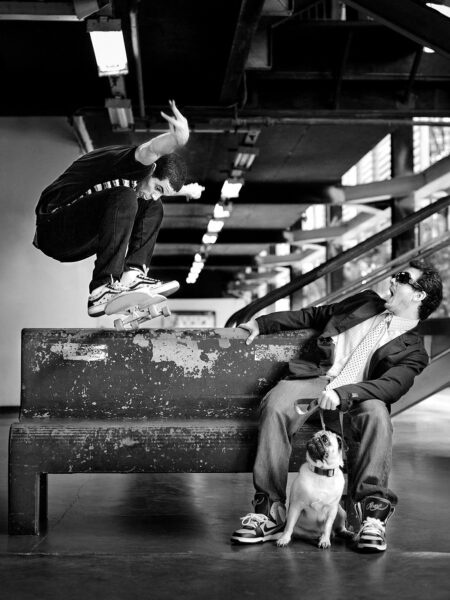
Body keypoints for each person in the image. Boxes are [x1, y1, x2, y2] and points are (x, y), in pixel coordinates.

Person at [231, 259, 443, 553]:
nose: (392, 280)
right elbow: (316, 315)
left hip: (359, 395)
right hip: (317, 377)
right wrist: (261, 323)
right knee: (277, 403)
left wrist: (345, 394)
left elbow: (391, 387)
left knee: (378, 415)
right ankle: (270, 512)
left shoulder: (415, 351)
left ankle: (369, 516)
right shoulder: (366, 302)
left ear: (419, 295)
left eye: (402, 277)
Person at [33, 100, 189, 316]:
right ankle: (102, 288)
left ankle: (132, 275)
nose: (154, 194)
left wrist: (185, 190)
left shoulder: (143, 184)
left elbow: (150, 191)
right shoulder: (129, 163)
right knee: (125, 197)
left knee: (153, 206)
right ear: (149, 171)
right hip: (54, 228)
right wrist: (175, 140)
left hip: (82, 236)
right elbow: (149, 150)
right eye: (158, 187)